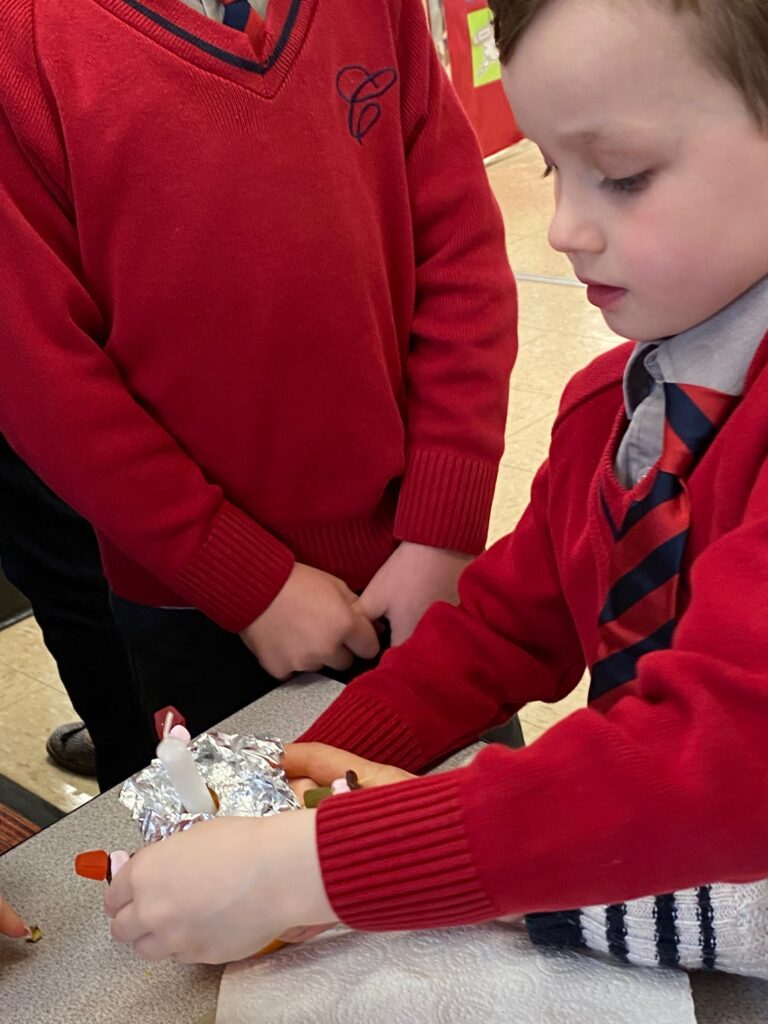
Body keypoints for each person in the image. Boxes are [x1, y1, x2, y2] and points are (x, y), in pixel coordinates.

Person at [103, 0, 768, 976]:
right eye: (551, 168)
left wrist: (319, 868)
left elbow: (721, 764)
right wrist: (310, 775)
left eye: (622, 176)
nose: (565, 227)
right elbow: (505, 626)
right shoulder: (612, 412)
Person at [0, 0, 516, 775]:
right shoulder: (25, 43)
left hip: (416, 565)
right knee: (238, 867)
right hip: (195, 606)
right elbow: (42, 375)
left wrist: (442, 525)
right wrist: (246, 582)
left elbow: (461, 249)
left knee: (477, 853)